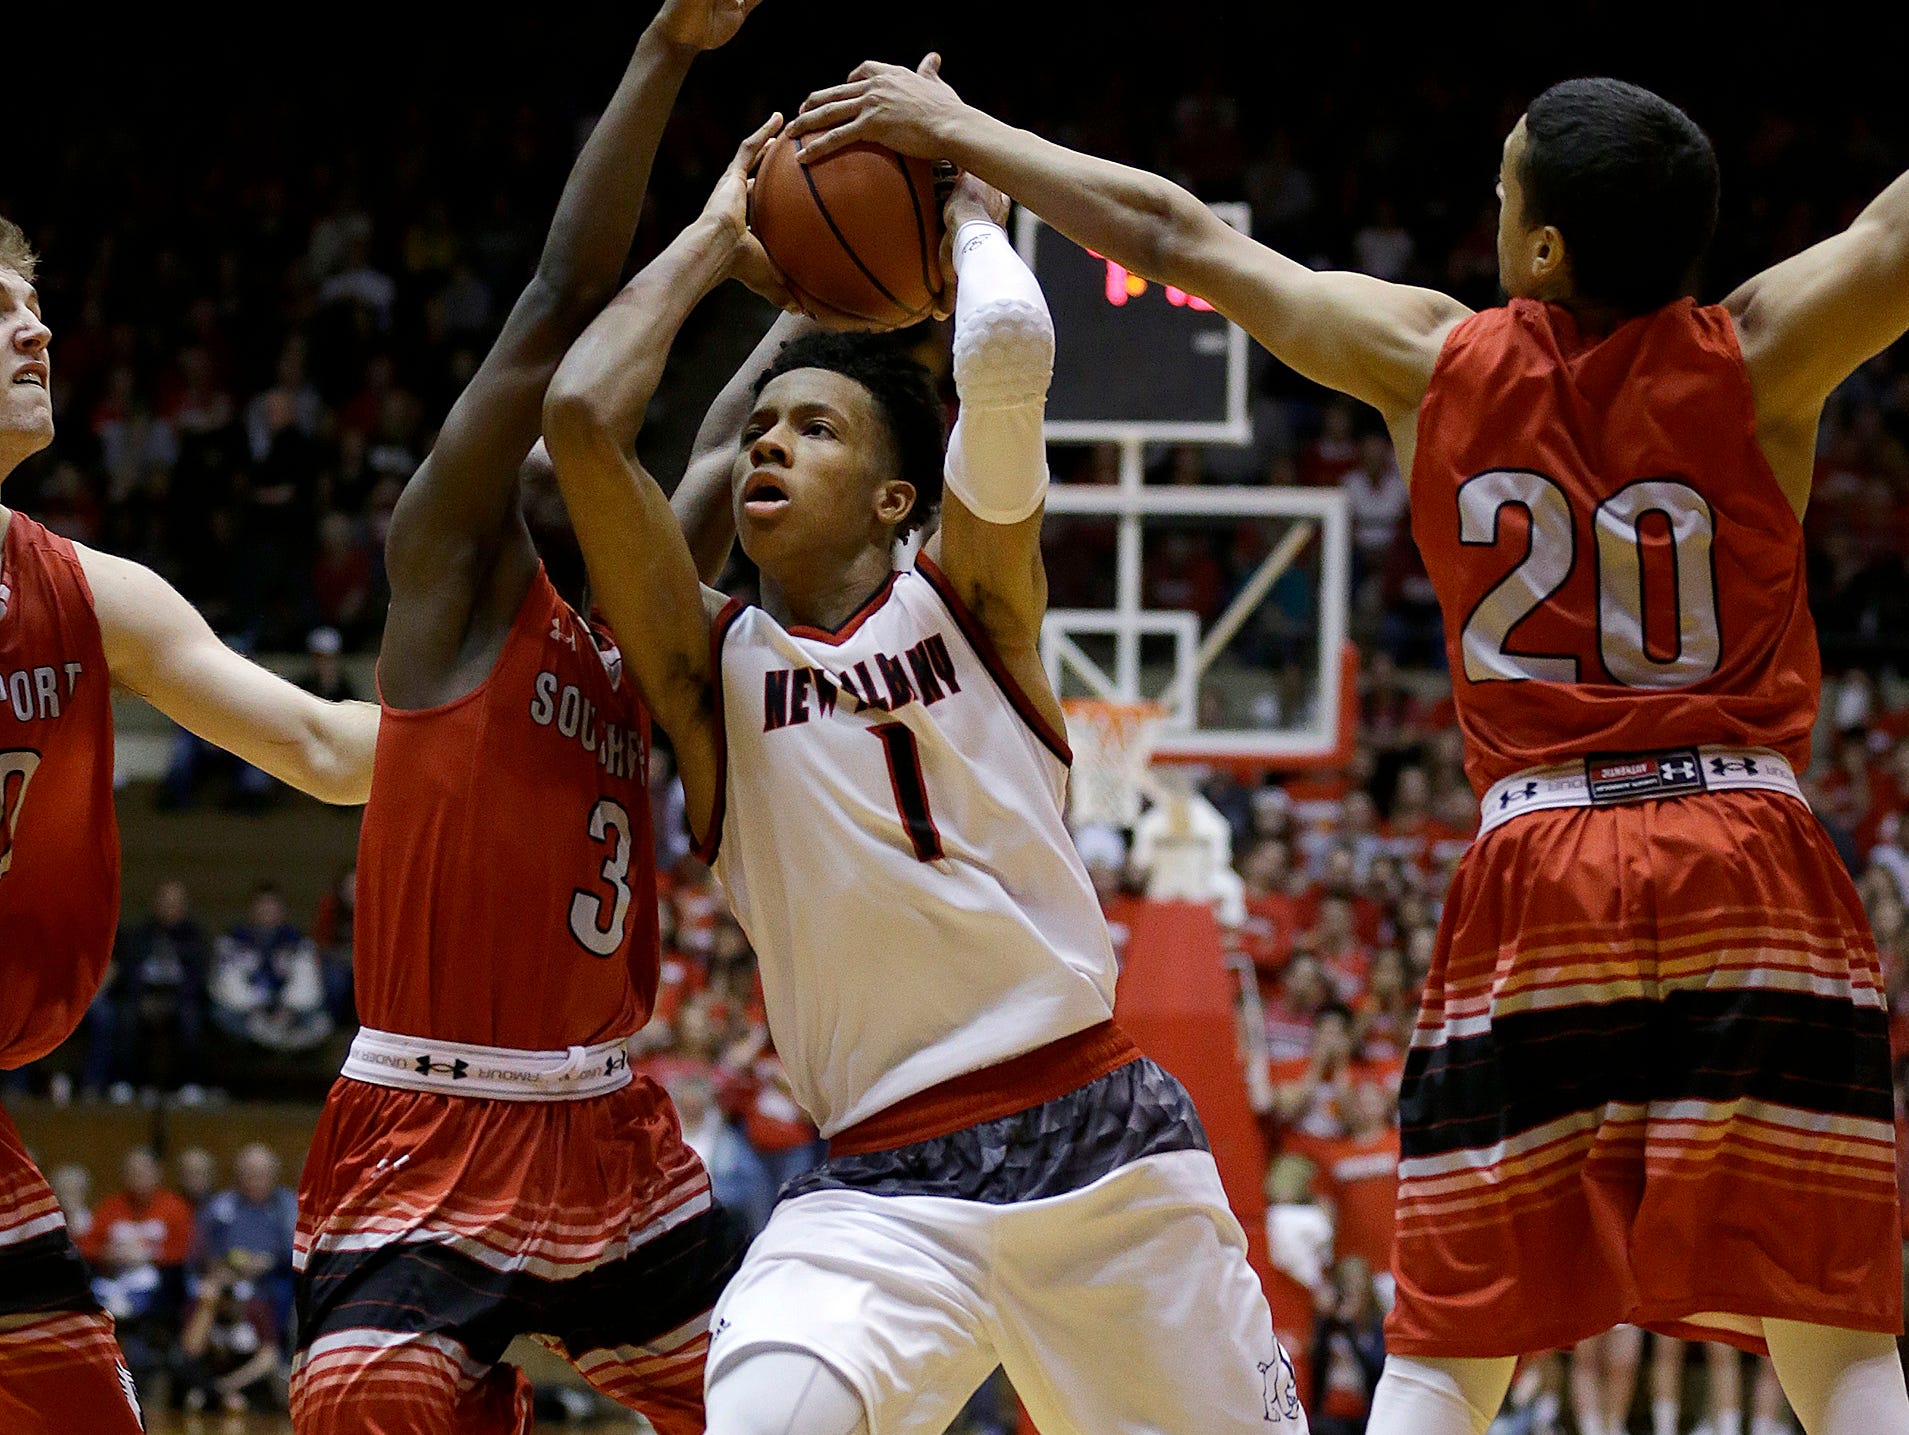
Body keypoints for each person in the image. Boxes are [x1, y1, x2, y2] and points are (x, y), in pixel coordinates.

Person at [786, 57, 1909, 1435]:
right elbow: (1893, 235)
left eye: (1503, 192)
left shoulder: (1434, 358)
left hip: (1540, 855)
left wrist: (957, 133)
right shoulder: (1765, 347)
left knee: (1451, 1341)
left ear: (1542, 246)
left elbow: (1174, 236)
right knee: (1831, 1321)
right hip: (1744, 845)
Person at [541, 117, 1304, 1433]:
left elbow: (1004, 364)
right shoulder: (710, 669)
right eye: (761, 427)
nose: (770, 445)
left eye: (816, 429)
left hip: (1101, 1145)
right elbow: (577, 420)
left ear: (901, 498)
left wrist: (968, 215)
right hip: (881, 1191)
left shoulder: (974, 605)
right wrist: (718, 245)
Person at [286, 6, 769, 1432]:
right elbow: (561, 296)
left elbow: (732, 441)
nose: (585, 427)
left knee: (793, 1403)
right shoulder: (446, 568)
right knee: (360, 1408)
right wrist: (669, 61)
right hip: (430, 1128)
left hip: (613, 1127)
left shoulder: (629, 622)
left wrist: (811, 295)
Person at [0, 220, 378, 1433]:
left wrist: (500, 727)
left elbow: (322, 750)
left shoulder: (88, 591)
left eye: (37, 304)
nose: (37, 328)